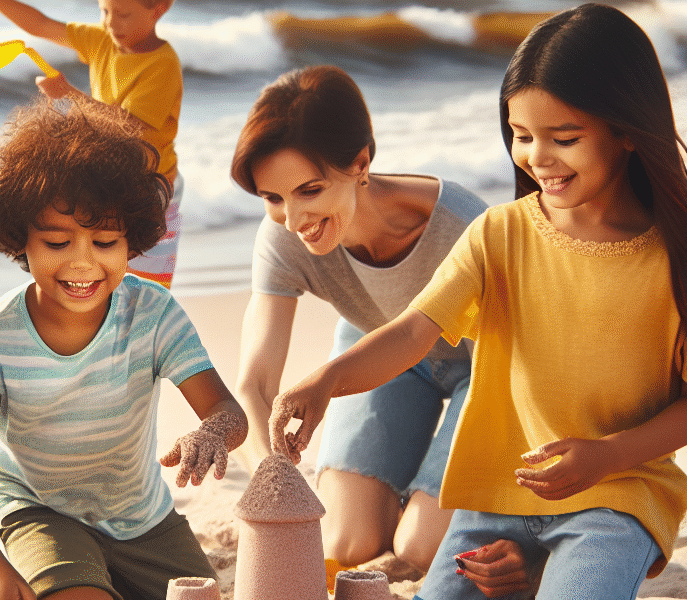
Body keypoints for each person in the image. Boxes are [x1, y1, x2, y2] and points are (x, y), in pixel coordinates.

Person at [270, 4, 687, 598]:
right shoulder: (500, 233)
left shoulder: (675, 250)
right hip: (496, 494)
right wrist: (324, 381)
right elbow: (415, 331)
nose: (537, 158)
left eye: (563, 138)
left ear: (625, 129)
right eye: (521, 136)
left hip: (617, 495)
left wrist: (607, 455)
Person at [0, 96, 247, 600]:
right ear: (22, 238)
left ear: (133, 243)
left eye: (105, 244)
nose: (83, 265)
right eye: (58, 243)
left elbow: (226, 409)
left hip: (141, 515)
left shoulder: (154, 313)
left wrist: (213, 431)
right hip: (37, 508)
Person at [229, 65, 487, 573]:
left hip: (487, 369)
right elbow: (256, 384)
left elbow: (529, 370)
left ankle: (426, 507)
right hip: (378, 353)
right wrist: (275, 482)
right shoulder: (283, 235)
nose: (293, 219)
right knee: (345, 544)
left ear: (360, 162)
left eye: (310, 190)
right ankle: (405, 491)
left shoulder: (462, 224)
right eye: (272, 198)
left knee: (420, 549)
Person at [0, 0, 183, 289]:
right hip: (114, 179)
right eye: (105, 12)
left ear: (159, 9)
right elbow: (40, 25)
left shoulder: (162, 64)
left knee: (149, 287)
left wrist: (70, 94)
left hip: (154, 187)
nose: (112, 23)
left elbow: (133, 129)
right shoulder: (104, 40)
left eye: (124, 15)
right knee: (106, 276)